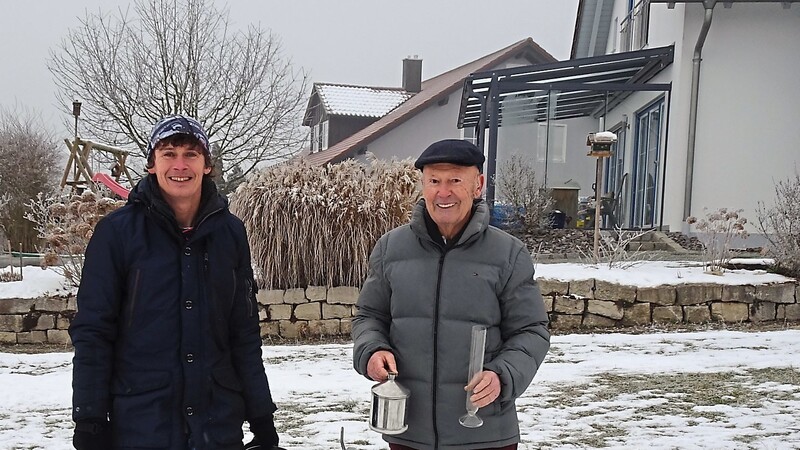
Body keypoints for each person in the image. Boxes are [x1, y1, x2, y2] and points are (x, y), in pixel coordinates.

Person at [69, 115, 283, 450]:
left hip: (218, 425)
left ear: (207, 165)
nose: (179, 165)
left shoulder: (230, 233)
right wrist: (89, 419)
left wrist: (262, 416)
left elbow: (243, 333)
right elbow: (94, 331)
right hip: (142, 421)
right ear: (152, 164)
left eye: (190, 154)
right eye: (168, 153)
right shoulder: (117, 233)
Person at [352, 139, 551, 450]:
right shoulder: (391, 248)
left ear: (477, 185)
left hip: (484, 432)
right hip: (408, 431)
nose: (443, 192)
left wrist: (503, 375)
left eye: (455, 180)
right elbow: (370, 316)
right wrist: (371, 350)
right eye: (434, 181)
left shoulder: (508, 253)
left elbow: (532, 331)